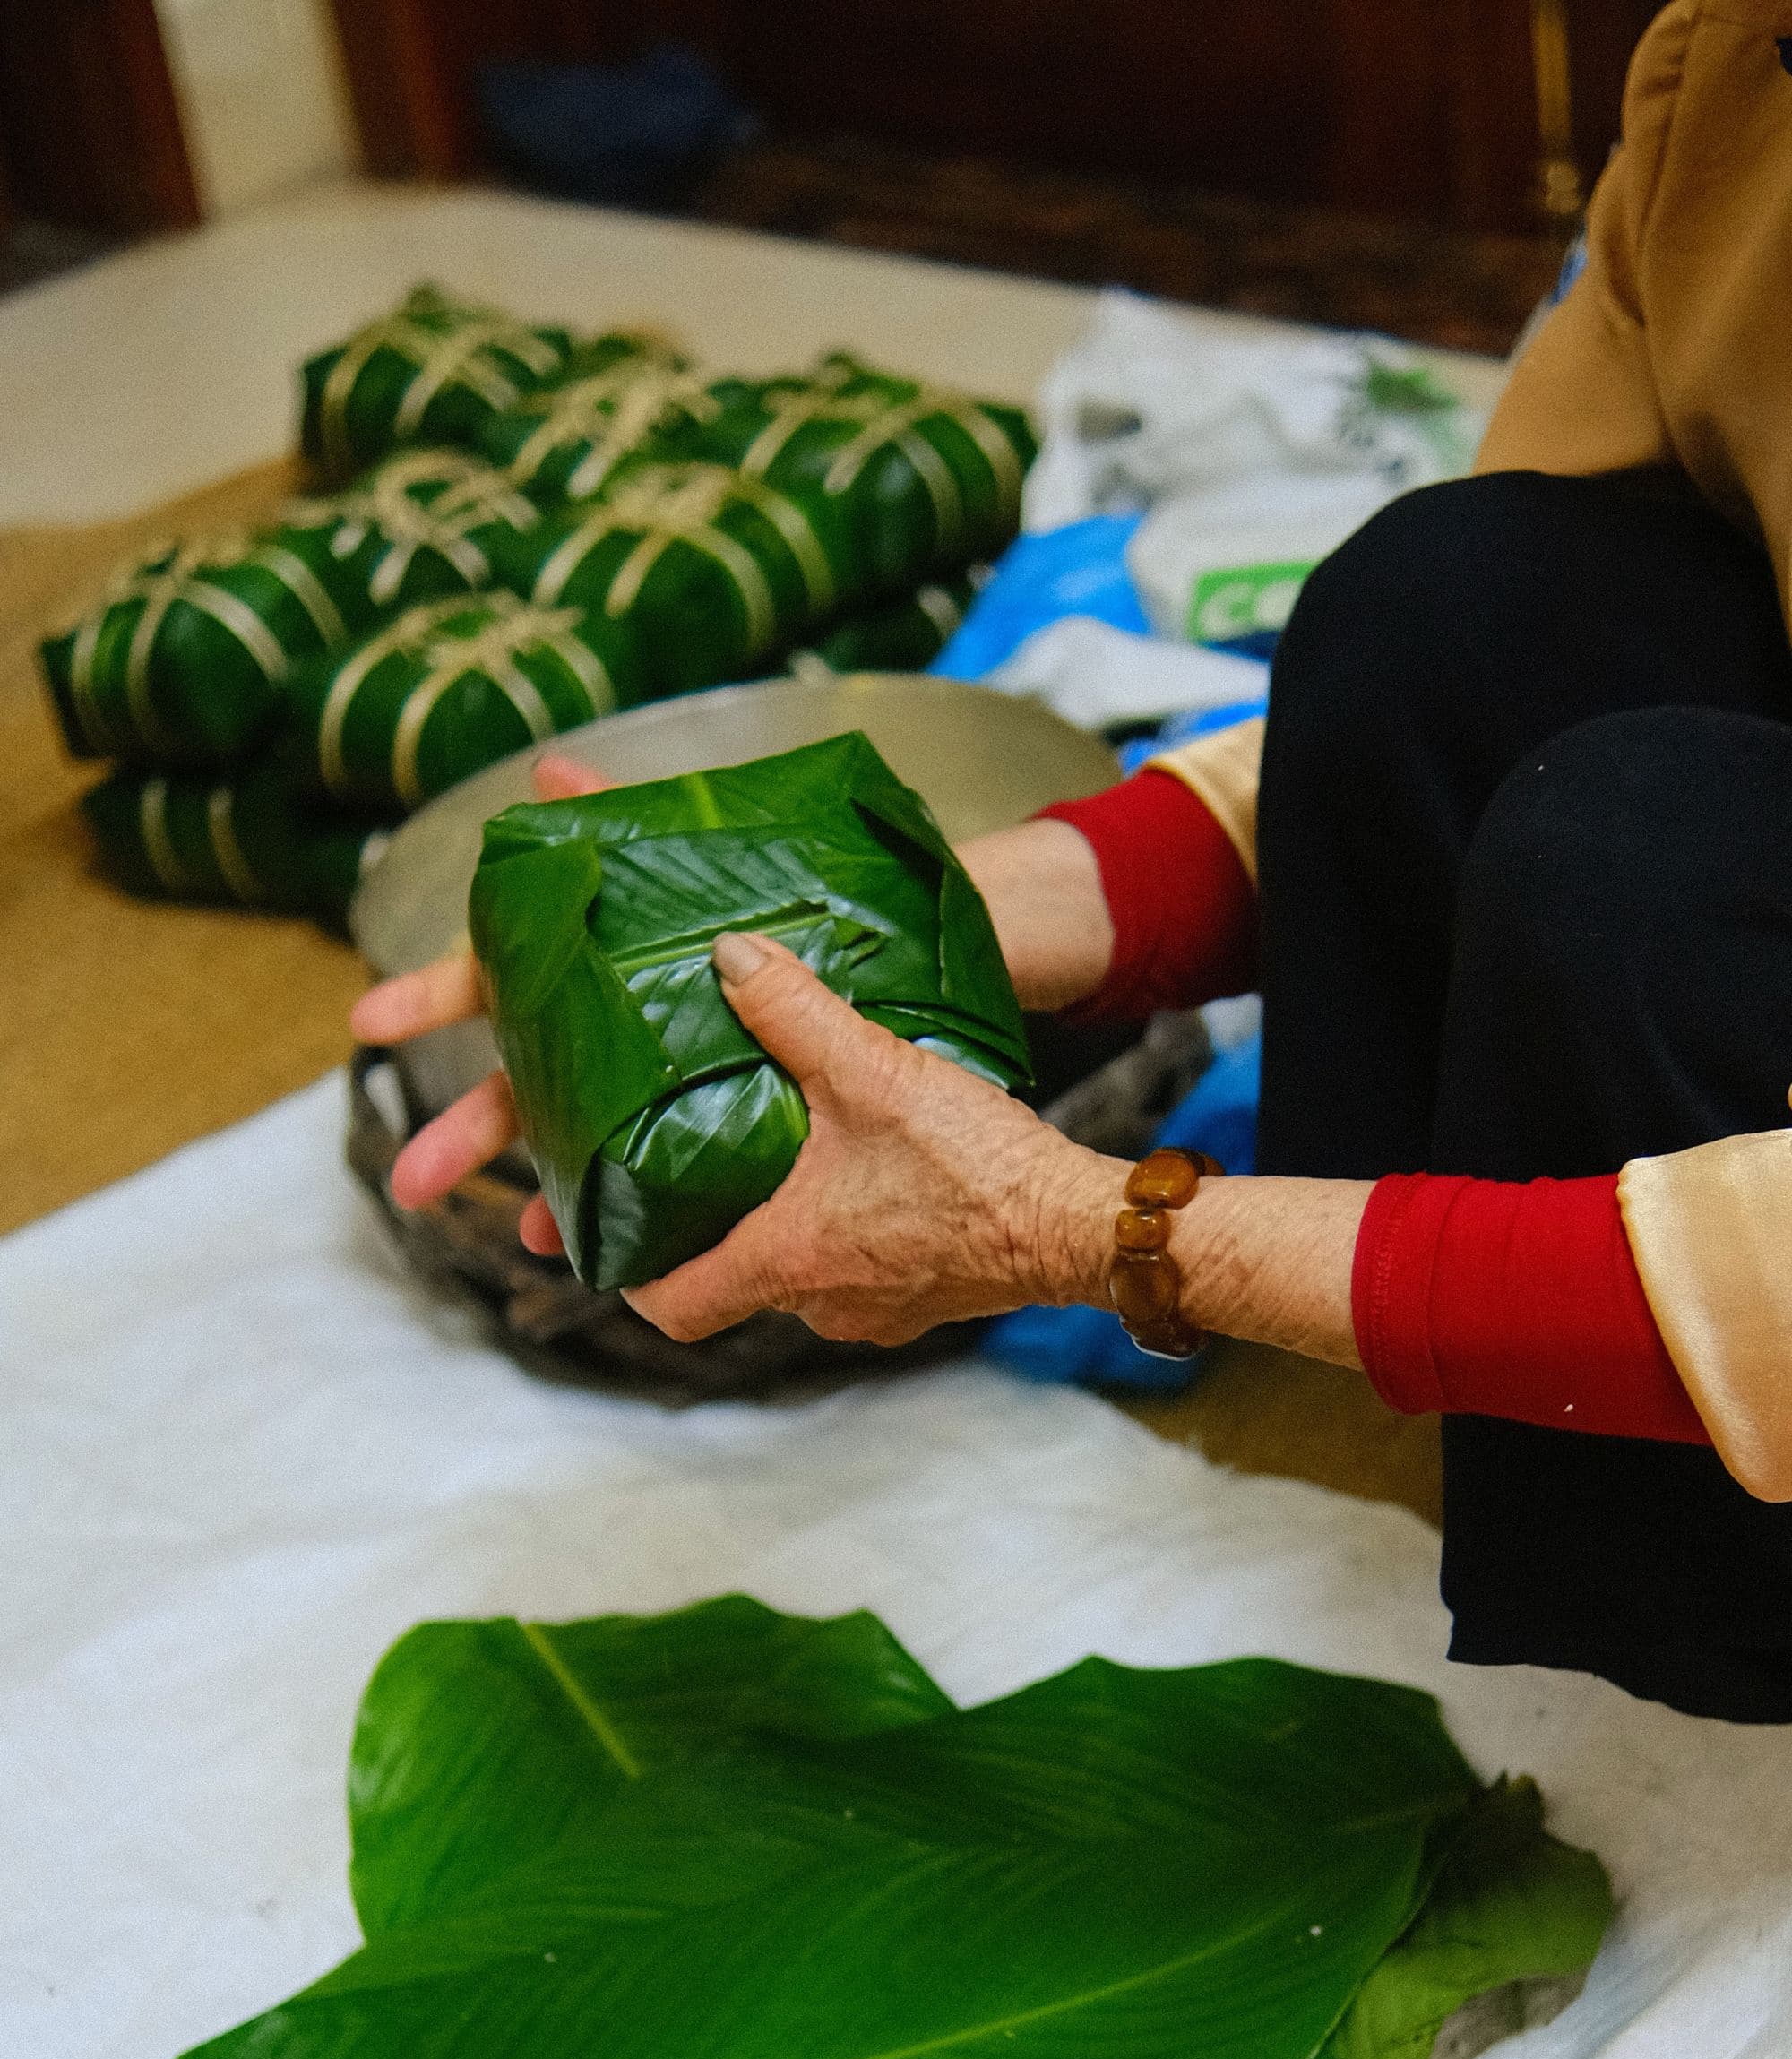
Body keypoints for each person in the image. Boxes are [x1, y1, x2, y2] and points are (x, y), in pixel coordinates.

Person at [356, 0, 1792, 1726]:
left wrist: (1094, 1232)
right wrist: (869, 922)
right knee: (1446, 602)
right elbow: (1526, 665)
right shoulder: (1735, 66)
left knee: (1628, 857)